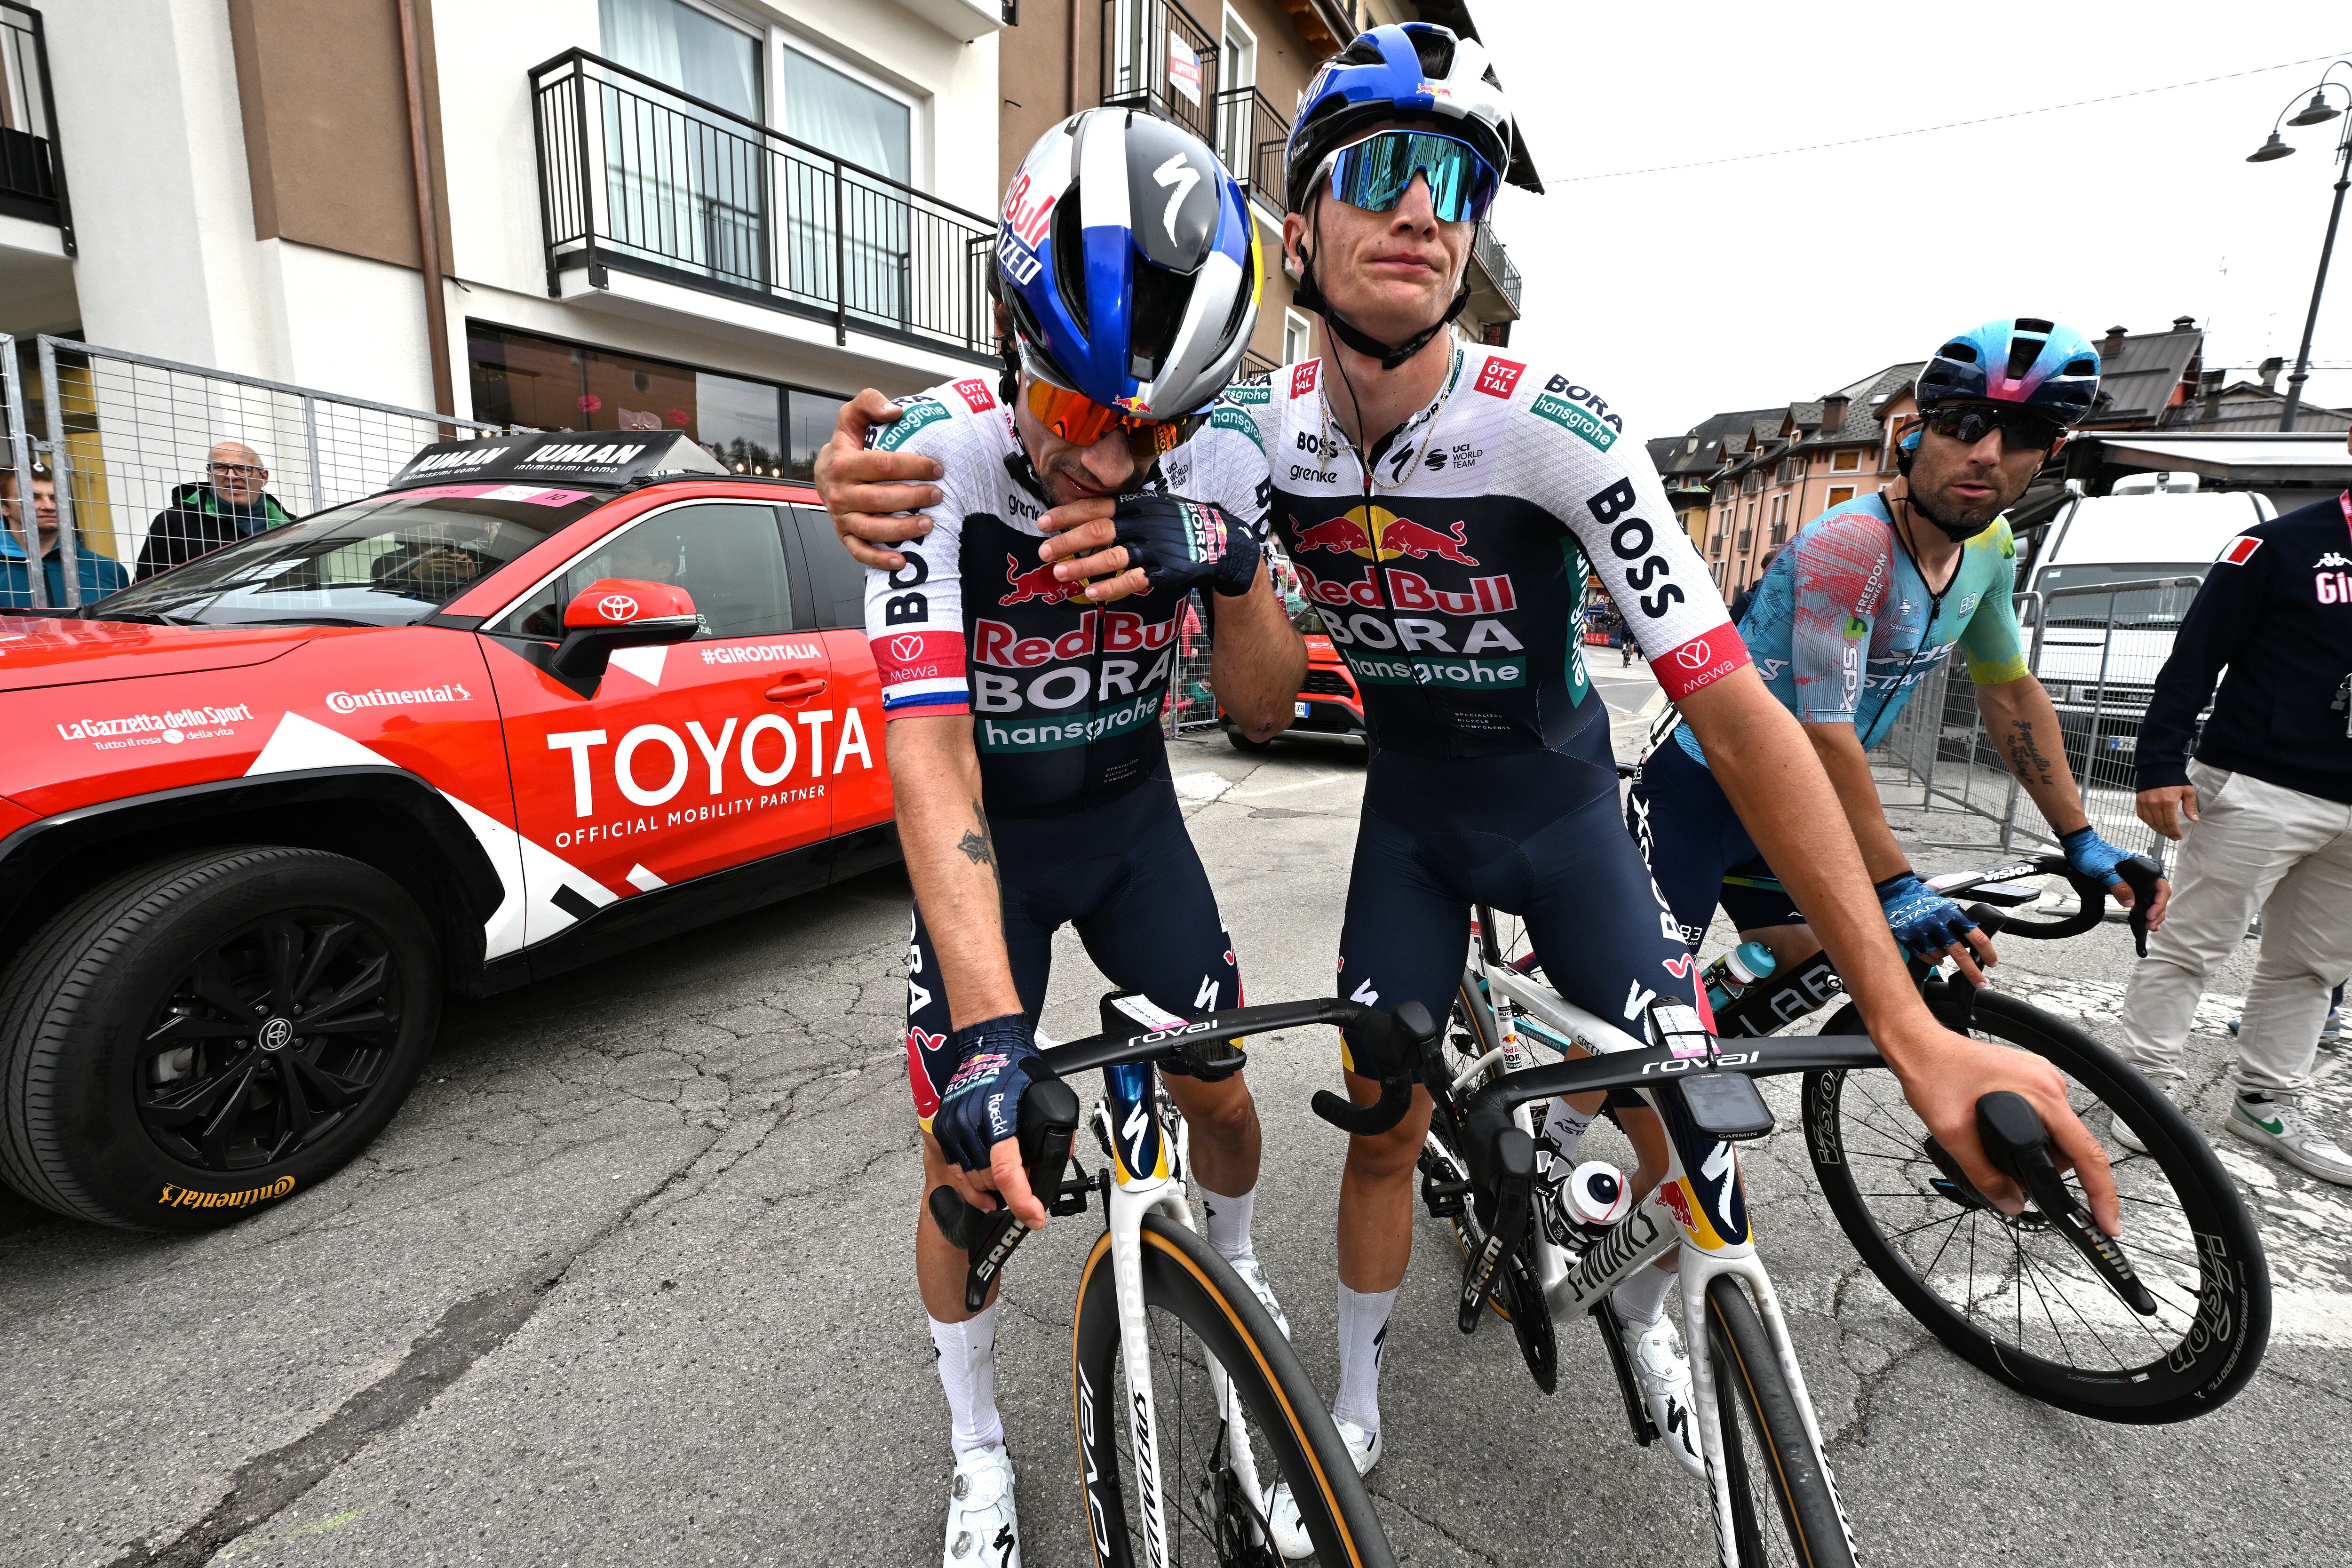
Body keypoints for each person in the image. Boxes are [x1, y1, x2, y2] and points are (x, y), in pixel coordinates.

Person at [818, 26, 2117, 1552]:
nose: (1426, 207)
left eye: (1460, 180)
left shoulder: (1551, 425)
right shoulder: (1239, 435)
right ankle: (1350, 1400)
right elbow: (1032, 445)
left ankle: (1655, 1296)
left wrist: (1904, 1021)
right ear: (1297, 230)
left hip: (1567, 811)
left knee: (1681, 1123)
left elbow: (1741, 705)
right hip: (1412, 825)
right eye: (1379, 171)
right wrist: (858, 470)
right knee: (1383, 1124)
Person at [851, 111, 1304, 1568]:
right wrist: (990, 1027)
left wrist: (1229, 570)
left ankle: (1235, 1291)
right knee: (964, 1164)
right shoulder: (937, 464)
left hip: (1132, 831)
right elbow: (924, 752)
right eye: (1078, 411)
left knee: (1223, 1098)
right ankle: (976, 1446)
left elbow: (1264, 706)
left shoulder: (1218, 466)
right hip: (998, 845)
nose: (1113, 462)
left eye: (1156, 426)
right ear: (1007, 340)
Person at [1629, 319, 2166, 1004]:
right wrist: (1894, 880)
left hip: (1798, 802)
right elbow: (1827, 733)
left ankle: (1703, 1025)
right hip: (1704, 792)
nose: (1987, 453)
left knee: (1819, 956)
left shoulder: (1992, 546)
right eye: (1966, 425)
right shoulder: (1853, 544)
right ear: (1915, 433)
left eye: (2023, 434)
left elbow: (2009, 694)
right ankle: (1591, 1088)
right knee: (1647, 1013)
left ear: (2050, 454)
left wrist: (2083, 836)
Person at [2112, 436, 2352, 1183]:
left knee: (2312, 966)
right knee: (2193, 945)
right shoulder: (2277, 546)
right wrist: (2158, 764)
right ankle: (2141, 1087)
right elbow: (2194, 658)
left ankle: (2267, 1098)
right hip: (2257, 784)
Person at [134, 440, 293, 579]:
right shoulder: (175, 521)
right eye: (220, 468)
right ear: (209, 475)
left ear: (264, 477)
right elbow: (144, 589)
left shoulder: (292, 526)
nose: (231, 475)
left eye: (243, 468)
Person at [0, 463, 127, 608]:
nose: (49, 506)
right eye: (33, 498)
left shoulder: (107, 570)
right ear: (4, 508)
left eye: (55, 498)